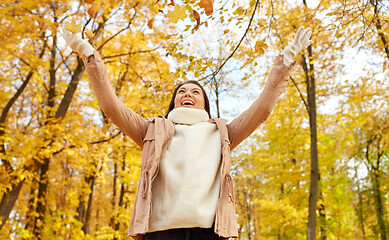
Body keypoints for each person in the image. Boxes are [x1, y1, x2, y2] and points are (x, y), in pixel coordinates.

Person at [63, 26, 312, 240]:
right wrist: (89, 54)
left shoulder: (222, 133)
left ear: (204, 103)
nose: (187, 94)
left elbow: (262, 108)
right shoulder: (153, 131)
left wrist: (286, 59)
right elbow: (111, 107)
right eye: (181, 92)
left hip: (209, 233)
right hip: (160, 233)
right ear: (174, 102)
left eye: (195, 92)